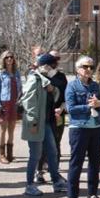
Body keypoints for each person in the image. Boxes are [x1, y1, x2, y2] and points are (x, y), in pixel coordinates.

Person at [21, 53, 68, 196]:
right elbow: (29, 102)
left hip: (47, 122)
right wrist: (33, 122)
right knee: (35, 155)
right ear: (45, 66)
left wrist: (53, 90)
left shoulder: (46, 80)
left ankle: (56, 181)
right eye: (50, 65)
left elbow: (56, 95)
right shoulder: (34, 79)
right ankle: (29, 185)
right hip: (35, 123)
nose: (52, 68)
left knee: (52, 152)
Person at [64, 56, 100, 198]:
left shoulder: (95, 85)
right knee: (77, 163)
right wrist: (88, 107)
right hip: (79, 128)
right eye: (85, 67)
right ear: (78, 69)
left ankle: (92, 193)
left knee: (95, 162)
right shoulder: (72, 86)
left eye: (91, 67)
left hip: (97, 127)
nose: (88, 70)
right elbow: (70, 109)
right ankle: (73, 196)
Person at [37, 50, 68, 182]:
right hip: (44, 115)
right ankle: (39, 172)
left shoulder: (61, 77)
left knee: (56, 143)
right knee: (41, 144)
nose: (56, 61)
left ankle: (54, 171)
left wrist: (61, 108)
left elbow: (66, 96)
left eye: (57, 58)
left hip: (58, 115)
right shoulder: (40, 76)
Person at [0, 50, 22, 164]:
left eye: (11, 57)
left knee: (12, 129)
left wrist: (21, 101)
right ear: (3, 59)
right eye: (7, 57)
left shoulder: (16, 72)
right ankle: (2, 155)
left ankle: (10, 155)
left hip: (15, 103)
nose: (9, 59)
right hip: (4, 104)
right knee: (3, 130)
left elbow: (20, 88)